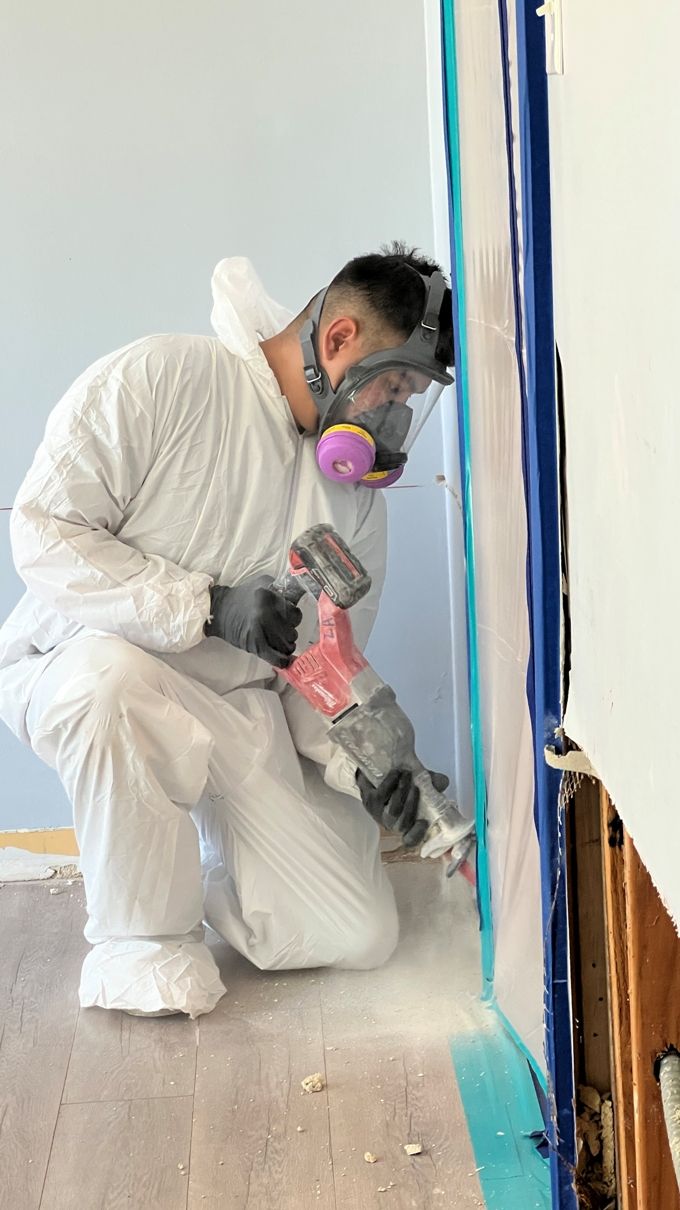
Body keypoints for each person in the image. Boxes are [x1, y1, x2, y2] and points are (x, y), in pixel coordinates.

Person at [0, 244, 455, 1017]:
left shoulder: (353, 507)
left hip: (237, 708)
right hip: (95, 665)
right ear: (338, 338)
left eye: (411, 396)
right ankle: (138, 942)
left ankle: (208, 861)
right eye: (390, 385)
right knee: (113, 688)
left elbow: (323, 670)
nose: (392, 414)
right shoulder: (164, 379)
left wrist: (375, 769)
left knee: (359, 934)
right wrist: (204, 605)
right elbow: (45, 533)